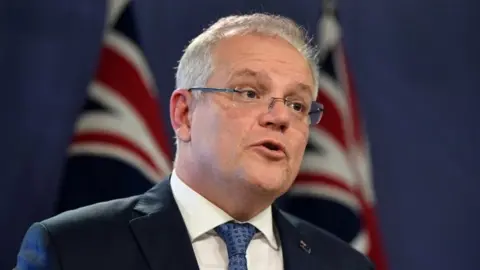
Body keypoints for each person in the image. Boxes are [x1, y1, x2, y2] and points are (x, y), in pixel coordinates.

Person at [15, 13, 374, 270]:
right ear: (184, 114)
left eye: (297, 105)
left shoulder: (345, 264)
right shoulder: (73, 250)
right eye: (249, 92)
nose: (279, 117)